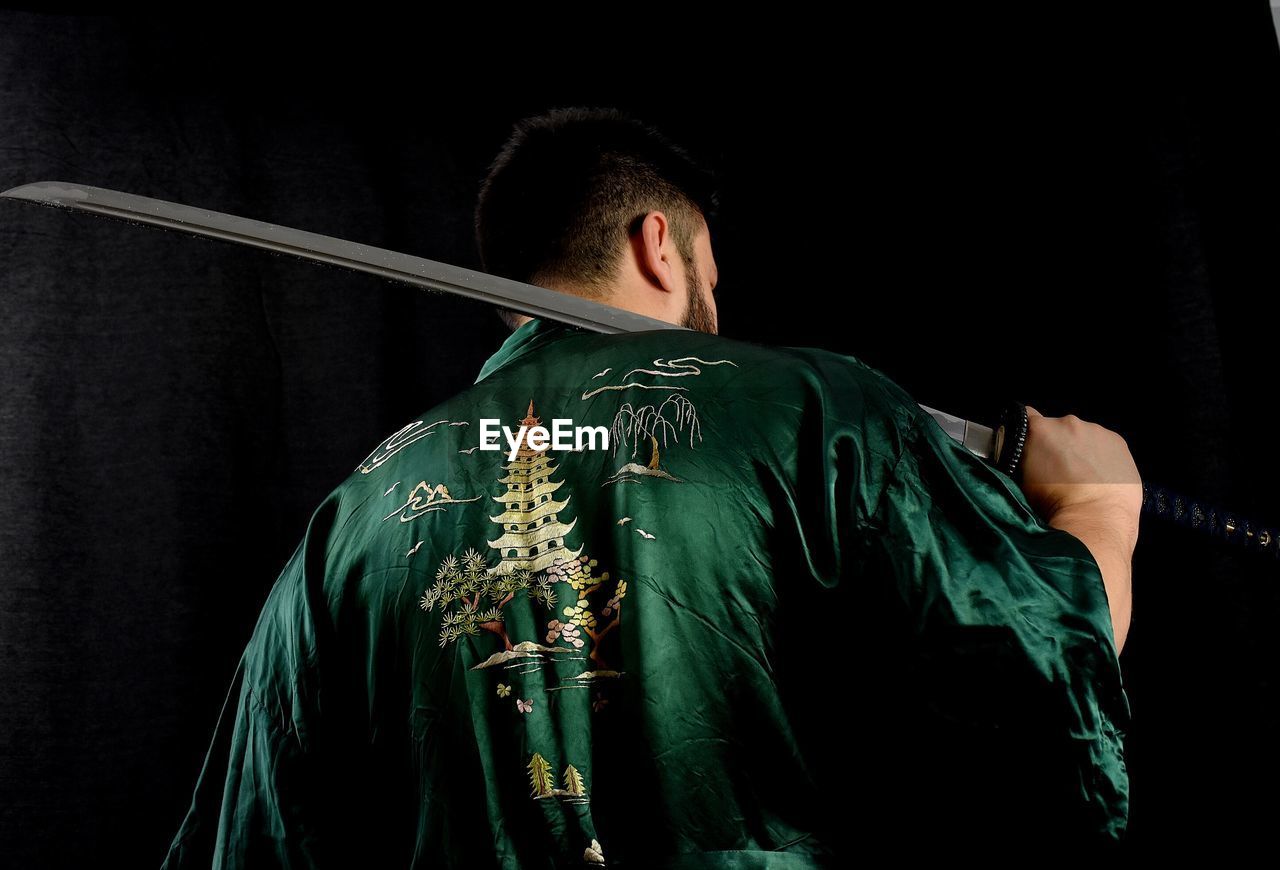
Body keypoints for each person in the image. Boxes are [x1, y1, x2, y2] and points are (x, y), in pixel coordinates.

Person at [159, 107, 1139, 868]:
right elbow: (1036, 694)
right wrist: (1098, 510)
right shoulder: (816, 408)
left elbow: (253, 840)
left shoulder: (352, 515)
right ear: (657, 243)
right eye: (709, 271)